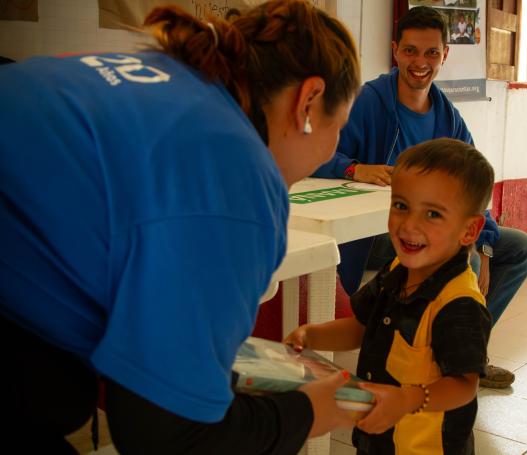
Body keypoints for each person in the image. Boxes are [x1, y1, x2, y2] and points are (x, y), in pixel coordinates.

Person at [0, 1, 361, 453]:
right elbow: (167, 435)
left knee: (58, 391)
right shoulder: (235, 171)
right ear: (309, 100)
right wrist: (307, 413)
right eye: (339, 127)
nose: (331, 152)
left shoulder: (165, 76)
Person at [313, 5, 527, 389]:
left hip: (435, 234)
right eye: (411, 51)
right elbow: (319, 153)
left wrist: (483, 247)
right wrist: (354, 169)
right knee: (451, 254)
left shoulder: (448, 118)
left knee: (518, 248)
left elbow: (475, 187)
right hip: (379, 238)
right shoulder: (369, 101)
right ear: (396, 51)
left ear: (445, 55)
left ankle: (461, 355)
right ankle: (414, 356)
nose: (421, 62)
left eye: (432, 52)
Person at [286, 138, 494, 454]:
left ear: (469, 231)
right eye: (401, 206)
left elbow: (465, 385)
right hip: (379, 437)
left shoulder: (458, 303)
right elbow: (361, 326)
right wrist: (312, 335)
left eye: (433, 215)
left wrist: (408, 399)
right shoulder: (397, 269)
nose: (409, 224)